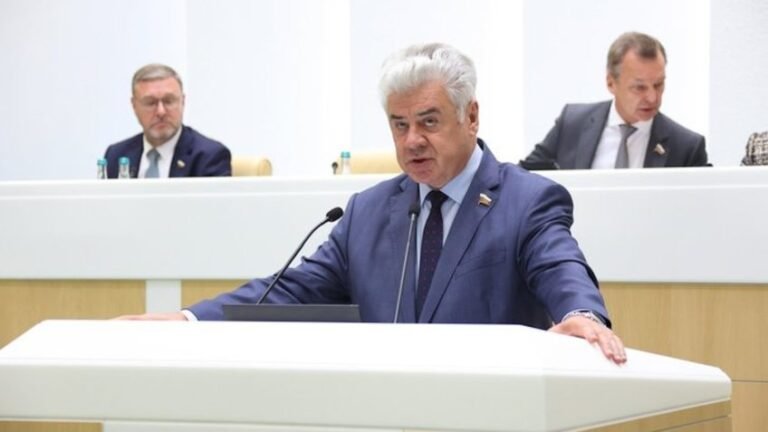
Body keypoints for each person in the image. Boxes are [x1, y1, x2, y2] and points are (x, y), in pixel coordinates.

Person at [120, 43, 626, 364]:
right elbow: (288, 290)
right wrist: (190, 321)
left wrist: (583, 315)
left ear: (471, 117)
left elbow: (560, 268)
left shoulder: (527, 201)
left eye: (428, 122)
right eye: (399, 125)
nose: (412, 141)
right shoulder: (367, 211)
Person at [521, 32, 708, 169]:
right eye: (639, 87)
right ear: (611, 83)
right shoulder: (572, 123)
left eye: (658, 84)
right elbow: (524, 177)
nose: (653, 97)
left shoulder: (687, 147)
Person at [104, 63, 232, 178]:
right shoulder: (117, 155)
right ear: (134, 106)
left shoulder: (209, 157)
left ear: (182, 102)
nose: (161, 112)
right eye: (150, 103)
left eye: (169, 101)